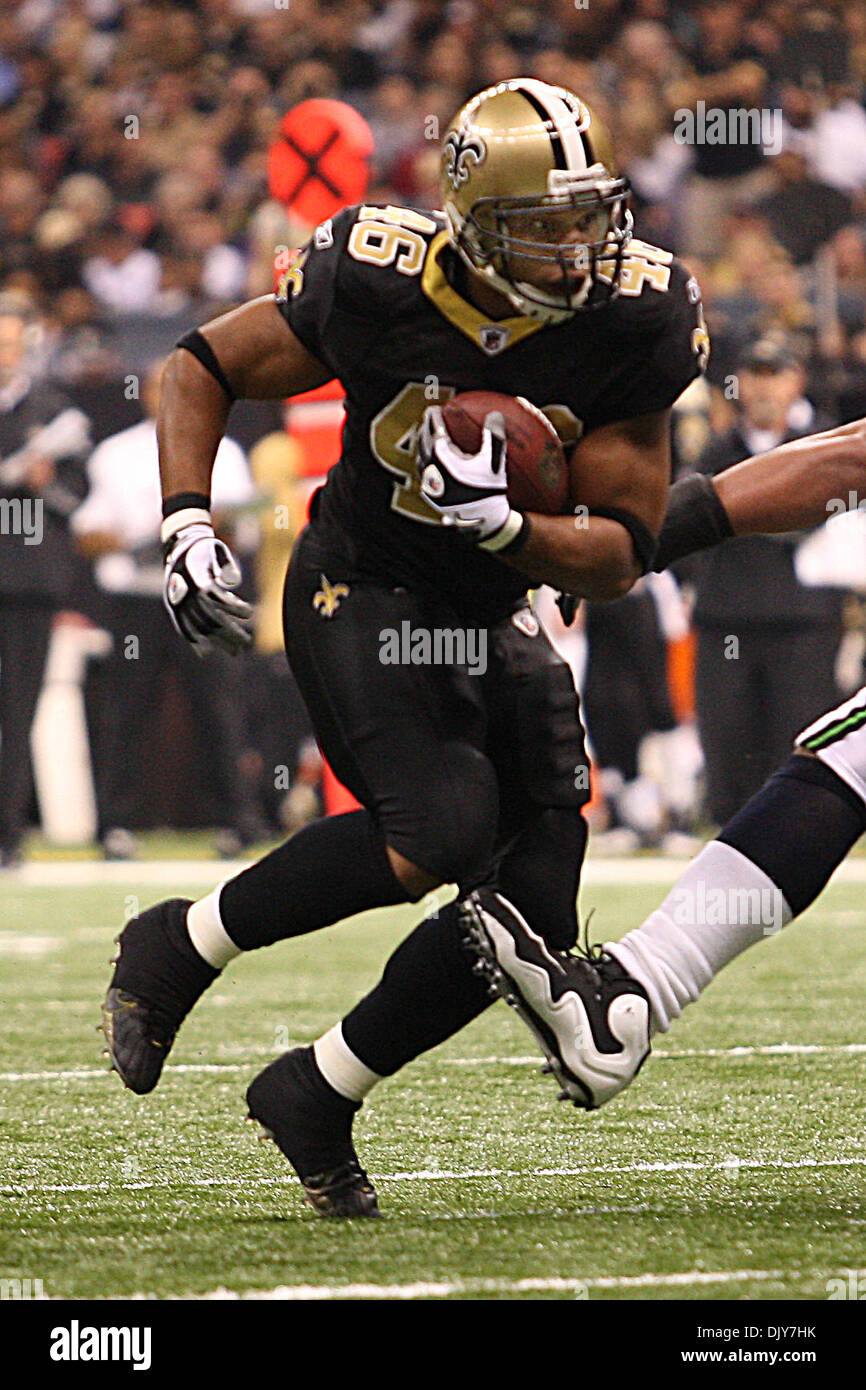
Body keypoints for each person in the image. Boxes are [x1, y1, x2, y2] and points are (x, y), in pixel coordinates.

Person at [100, 79, 866, 1219]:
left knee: (536, 908)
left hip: (505, 594)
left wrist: (511, 529)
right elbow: (200, 366)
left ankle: (319, 1088)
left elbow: (620, 547)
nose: (580, 247)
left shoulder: (634, 315)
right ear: (473, 222)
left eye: (589, 214)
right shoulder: (373, 274)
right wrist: (185, 520)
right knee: (437, 830)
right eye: (545, 225)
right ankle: (180, 940)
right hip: (363, 580)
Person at [72, 360, 259, 858]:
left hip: (201, 596)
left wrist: (182, 535)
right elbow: (89, 532)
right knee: (126, 711)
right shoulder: (115, 453)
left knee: (218, 708)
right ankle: (113, 824)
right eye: (159, 385)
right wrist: (131, 542)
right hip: (137, 596)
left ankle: (238, 820)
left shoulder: (225, 446)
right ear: (145, 394)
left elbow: (239, 521)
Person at [692, 337, 846, 823]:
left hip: (804, 623)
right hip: (728, 621)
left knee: (799, 739)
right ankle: (730, 839)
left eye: (774, 372)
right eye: (754, 373)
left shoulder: (823, 445)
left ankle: (802, 835)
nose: (763, 386)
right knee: (729, 738)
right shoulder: (717, 450)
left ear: (796, 379)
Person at [0, 298, 90, 866]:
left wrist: (44, 483)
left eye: (11, 344)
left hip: (28, 581)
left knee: (19, 708)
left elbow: (77, 497)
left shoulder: (55, 410)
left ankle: (7, 834)